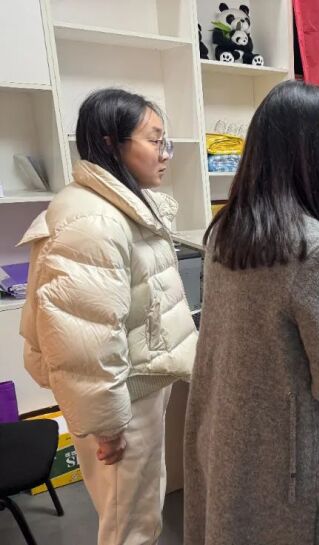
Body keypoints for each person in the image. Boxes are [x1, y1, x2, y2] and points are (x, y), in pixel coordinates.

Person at [183, 81, 319, 545]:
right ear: (315, 158)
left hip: (229, 437)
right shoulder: (314, 250)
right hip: (287, 466)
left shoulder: (227, 230)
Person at [19, 88, 197, 545]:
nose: (165, 153)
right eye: (155, 141)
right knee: (129, 525)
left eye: (166, 141)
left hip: (135, 385)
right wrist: (108, 424)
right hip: (123, 399)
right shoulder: (95, 221)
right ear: (110, 143)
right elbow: (86, 341)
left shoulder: (115, 205)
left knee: (136, 511)